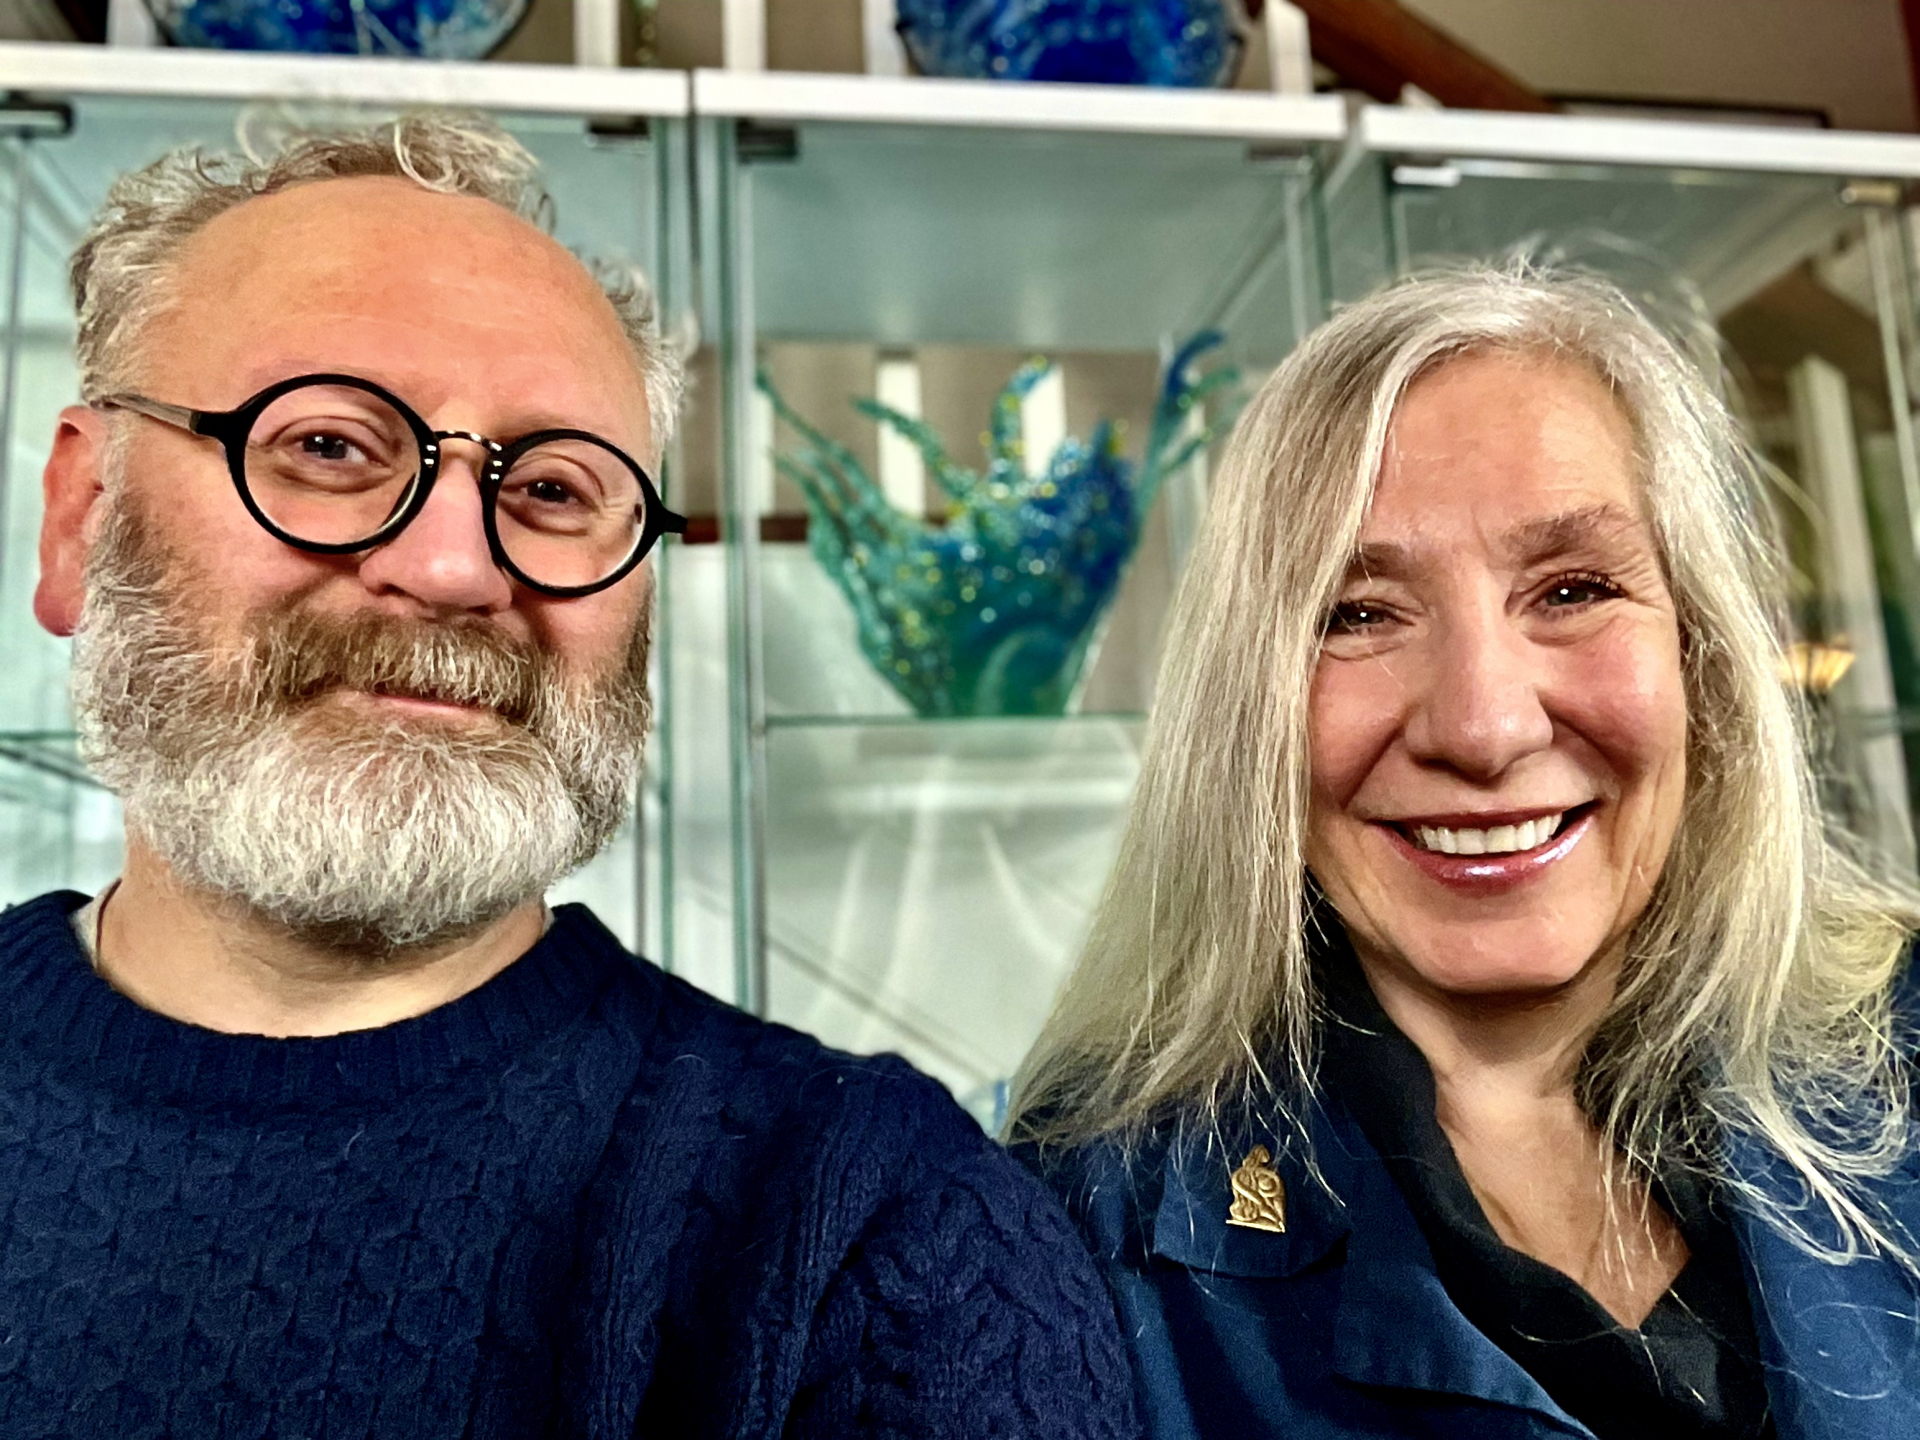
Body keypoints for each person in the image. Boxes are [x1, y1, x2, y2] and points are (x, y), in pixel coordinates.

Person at [0, 112, 1135, 1439]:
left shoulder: (874, 1233)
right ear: (81, 517)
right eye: (325, 447)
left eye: (549, 488)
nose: (454, 569)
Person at [1011, 266, 1920, 1440]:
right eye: (1357, 613)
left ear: (1703, 658)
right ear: (1247, 716)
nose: (1485, 728)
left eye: (1575, 588)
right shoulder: (1064, 1231)